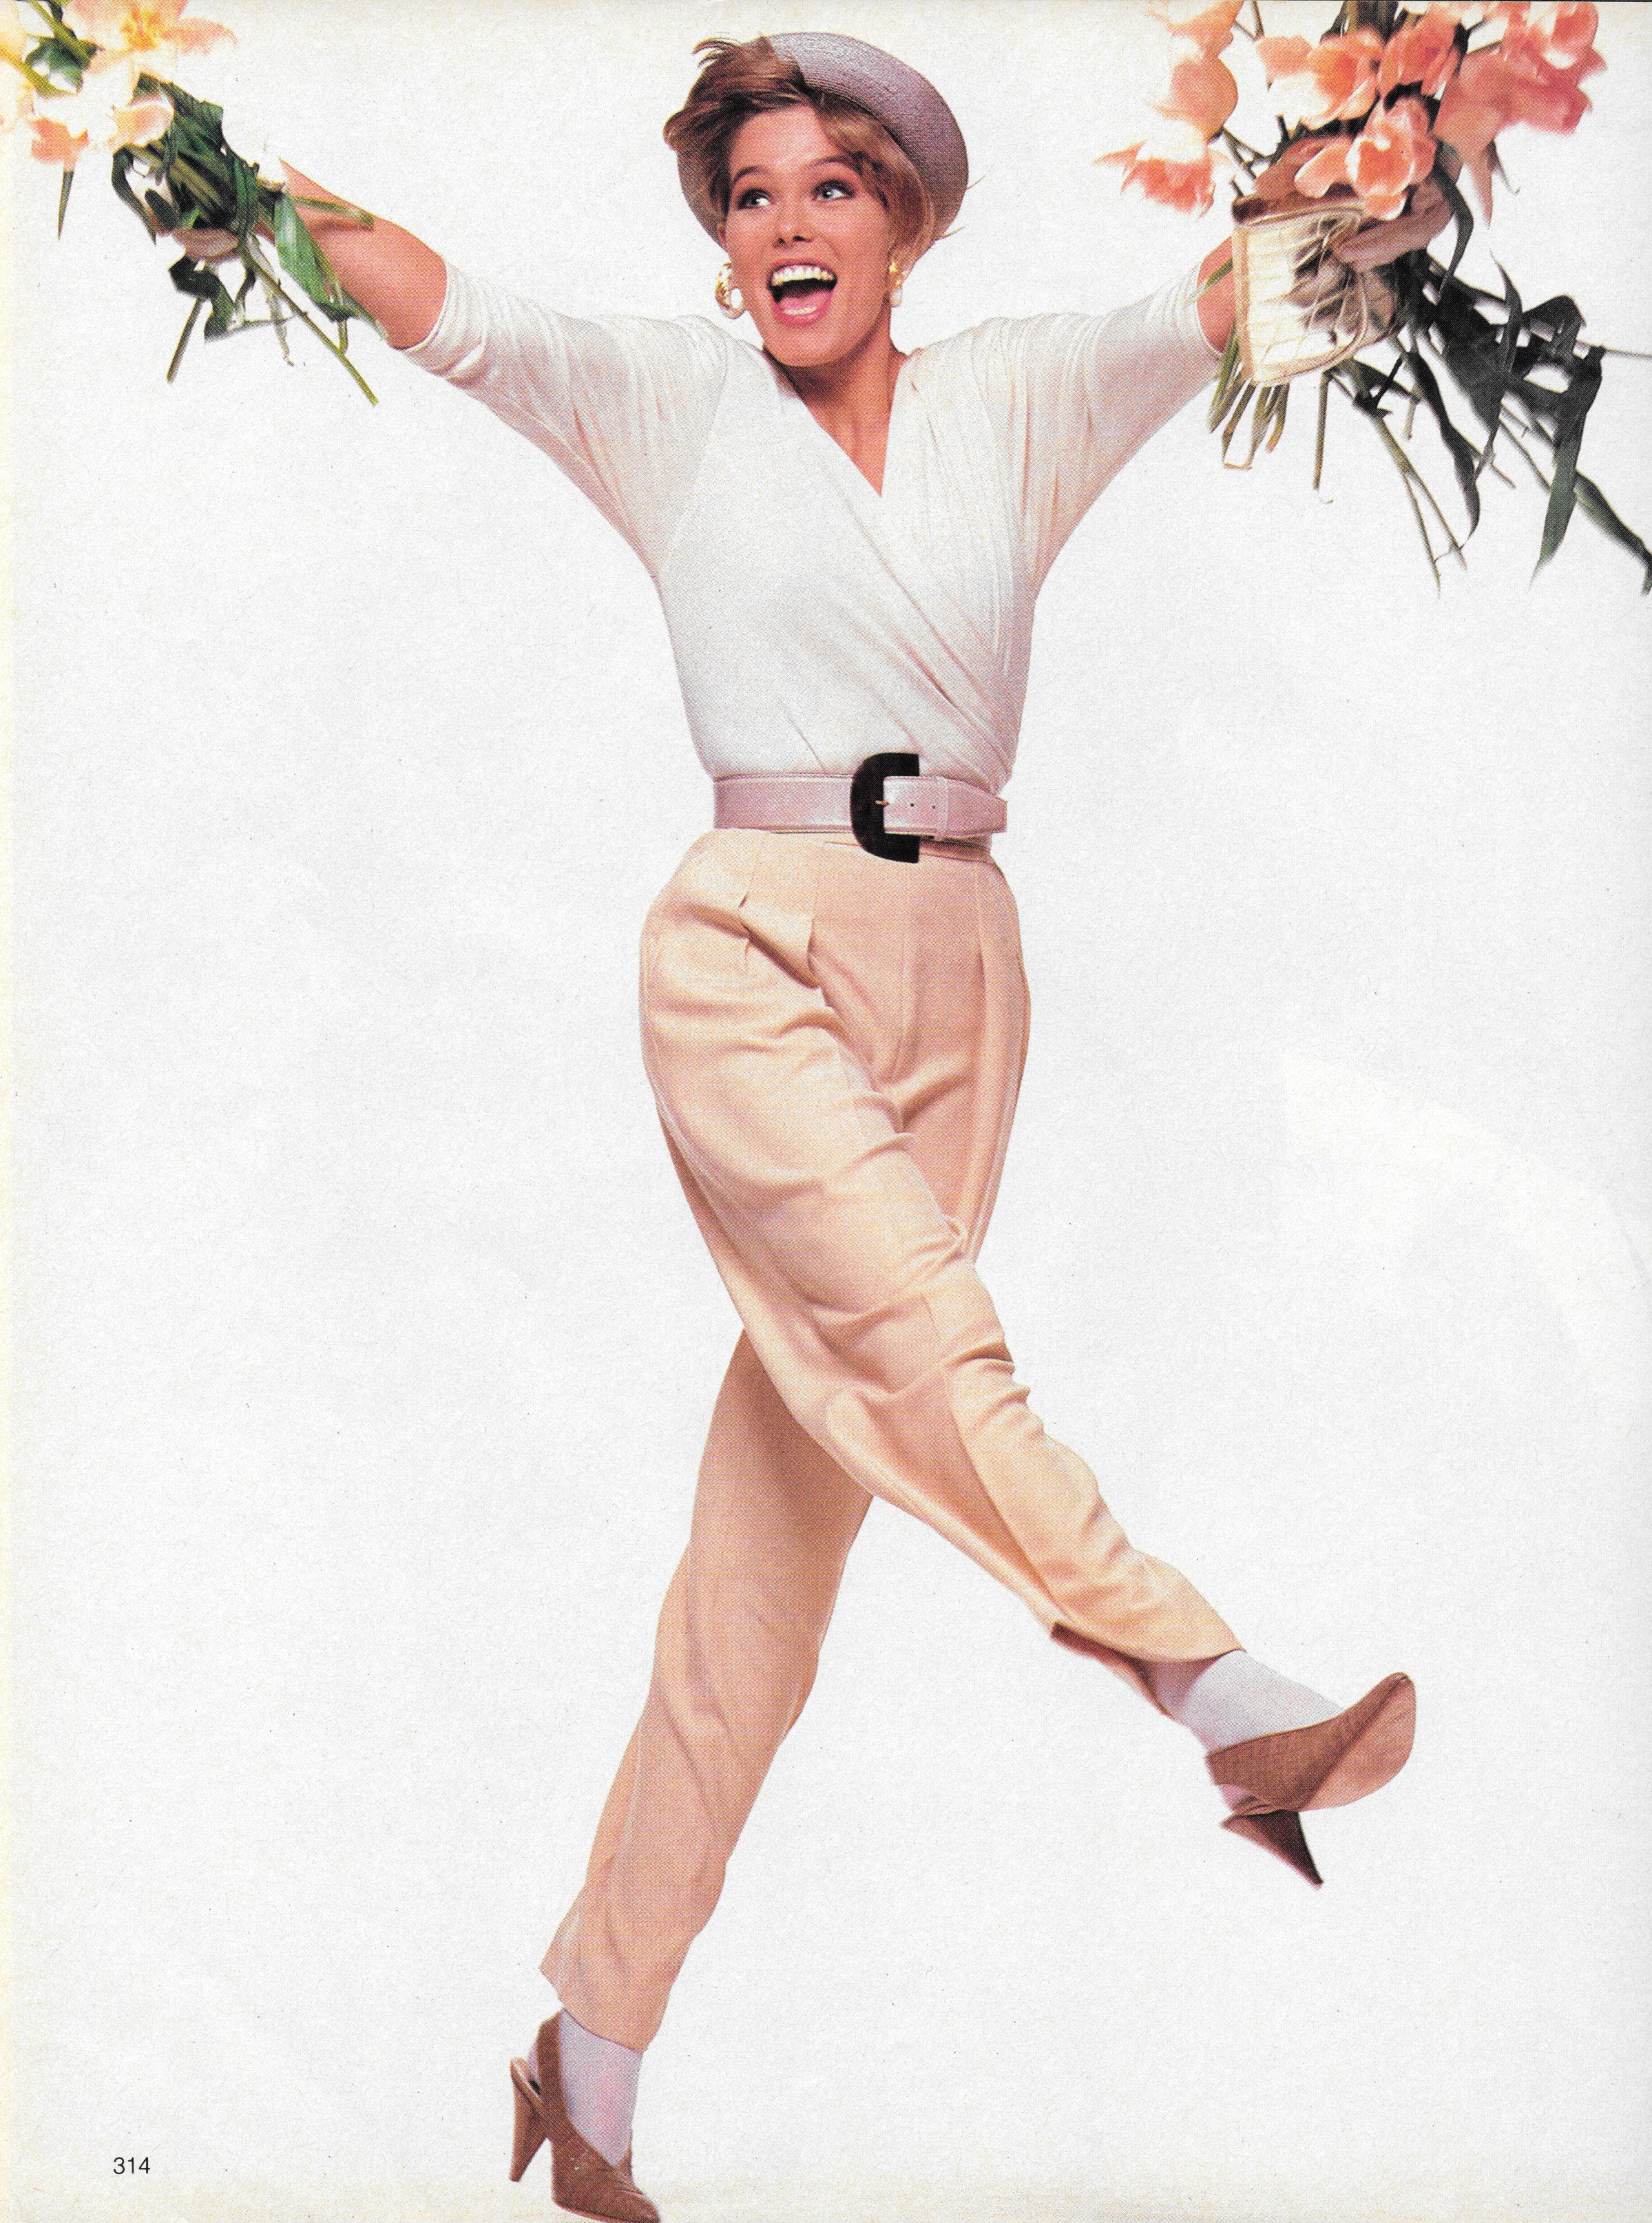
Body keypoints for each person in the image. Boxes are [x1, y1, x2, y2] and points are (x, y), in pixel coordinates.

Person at [192, 32, 1450, 2222]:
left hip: (965, 958)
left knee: (765, 1577)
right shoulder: (667, 403)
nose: (785, 224)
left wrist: (1413, 151)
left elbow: (1278, 292)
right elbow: (444, 304)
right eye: (751, 194)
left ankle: (589, 2055)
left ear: (904, 229)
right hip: (748, 948)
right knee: (940, 1354)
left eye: (831, 190)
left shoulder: (1023, 397)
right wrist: (181, 153)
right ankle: (1216, 1687)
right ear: (723, 244)